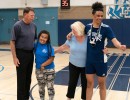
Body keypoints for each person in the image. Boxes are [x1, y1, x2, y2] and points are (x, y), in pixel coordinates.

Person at [85, 2, 126, 100]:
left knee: (101, 84)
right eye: (97, 15)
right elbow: (77, 33)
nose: (99, 18)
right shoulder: (87, 27)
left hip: (101, 61)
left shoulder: (106, 28)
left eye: (101, 16)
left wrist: (120, 46)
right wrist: (70, 34)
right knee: (89, 84)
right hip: (89, 61)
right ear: (93, 15)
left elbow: (114, 41)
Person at [55, 21, 87, 100]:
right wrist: (54, 52)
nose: (72, 32)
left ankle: (85, 98)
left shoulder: (88, 37)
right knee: (72, 82)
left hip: (86, 66)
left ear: (79, 29)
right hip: (73, 64)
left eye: (74, 30)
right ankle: (69, 98)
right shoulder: (71, 38)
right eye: (72, 30)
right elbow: (63, 47)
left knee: (85, 84)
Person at [10, 7, 37, 100]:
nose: (33, 17)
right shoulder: (17, 26)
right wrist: (14, 57)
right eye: (31, 15)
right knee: (21, 80)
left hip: (30, 54)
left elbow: (34, 40)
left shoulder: (34, 26)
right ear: (25, 15)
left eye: (33, 15)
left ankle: (26, 97)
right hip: (21, 54)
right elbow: (12, 42)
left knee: (28, 79)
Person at [34, 30, 55, 100]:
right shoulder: (36, 45)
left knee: (50, 88)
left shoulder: (49, 47)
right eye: (42, 37)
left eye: (45, 38)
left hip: (49, 70)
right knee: (41, 87)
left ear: (47, 39)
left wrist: (43, 65)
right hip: (39, 70)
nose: (43, 39)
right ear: (39, 36)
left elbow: (51, 58)